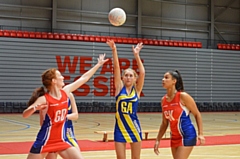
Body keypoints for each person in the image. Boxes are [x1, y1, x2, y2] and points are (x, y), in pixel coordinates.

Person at [23, 53, 108, 159]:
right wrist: (34, 108)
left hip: (61, 139)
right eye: (60, 76)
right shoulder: (44, 99)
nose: (63, 77)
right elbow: (25, 114)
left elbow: (84, 78)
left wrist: (98, 64)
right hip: (45, 140)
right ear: (54, 81)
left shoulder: (66, 92)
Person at [106, 39, 145, 159]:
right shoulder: (119, 88)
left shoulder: (137, 91)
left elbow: (142, 72)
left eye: (131, 75)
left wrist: (137, 55)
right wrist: (114, 49)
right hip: (120, 128)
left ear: (135, 79)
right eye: (126, 75)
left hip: (134, 126)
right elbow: (116, 67)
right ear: (122, 78)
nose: (128, 77)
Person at [154, 70, 205, 159]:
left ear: (174, 81)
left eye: (166, 78)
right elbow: (164, 123)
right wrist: (158, 139)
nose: (163, 80)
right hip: (174, 136)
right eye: (163, 77)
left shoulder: (183, 96)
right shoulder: (163, 100)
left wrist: (201, 134)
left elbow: (197, 114)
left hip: (187, 134)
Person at [44, 93, 81, 159]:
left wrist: (63, 116)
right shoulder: (48, 97)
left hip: (67, 132)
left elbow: (75, 115)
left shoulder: (69, 95)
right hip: (53, 133)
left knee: (77, 154)